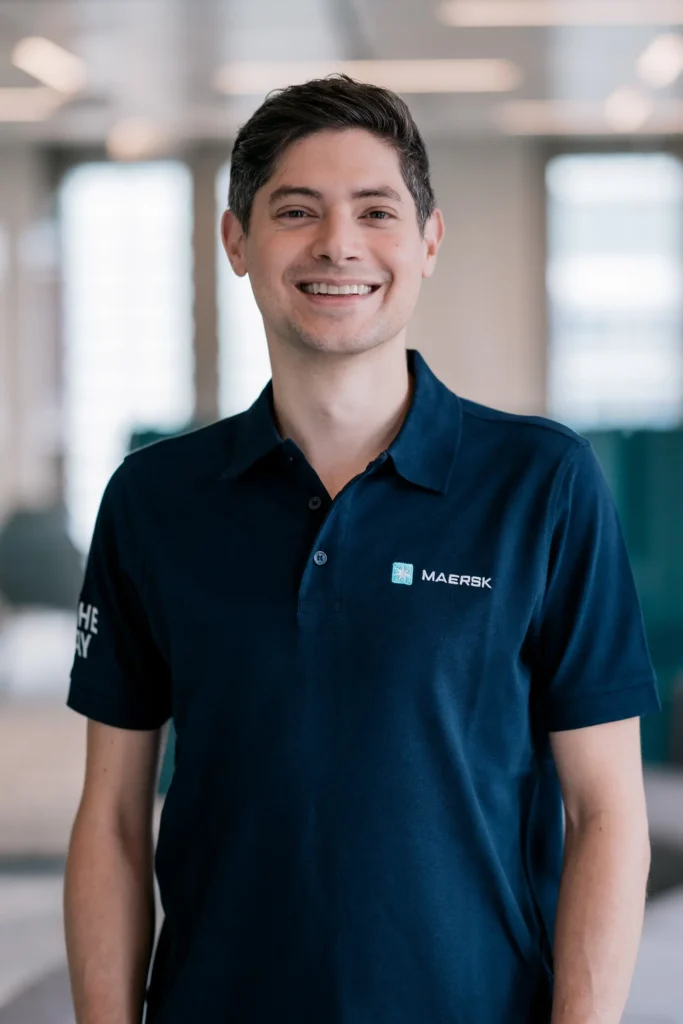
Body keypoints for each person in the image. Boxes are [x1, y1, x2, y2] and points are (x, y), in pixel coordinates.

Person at [63, 74, 661, 1024]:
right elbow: (113, 819)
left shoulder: (540, 483)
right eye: (295, 211)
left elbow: (605, 813)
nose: (337, 244)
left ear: (427, 241)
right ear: (236, 242)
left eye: (374, 211)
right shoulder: (155, 500)